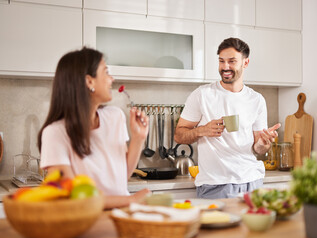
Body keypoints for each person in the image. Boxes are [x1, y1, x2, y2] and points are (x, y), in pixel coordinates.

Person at [37, 47, 150, 209]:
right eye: (106, 72)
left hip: (123, 216)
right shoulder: (55, 133)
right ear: (89, 81)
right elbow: (71, 198)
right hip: (85, 221)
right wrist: (131, 200)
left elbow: (121, 176)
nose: (112, 78)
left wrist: (139, 139)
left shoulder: (115, 117)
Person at [174, 38, 280, 199]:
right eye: (221, 61)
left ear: (245, 63)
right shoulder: (202, 95)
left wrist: (263, 143)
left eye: (232, 61)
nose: (225, 67)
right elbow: (179, 135)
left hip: (252, 182)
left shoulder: (257, 100)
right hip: (214, 185)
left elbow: (257, 149)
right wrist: (203, 130)